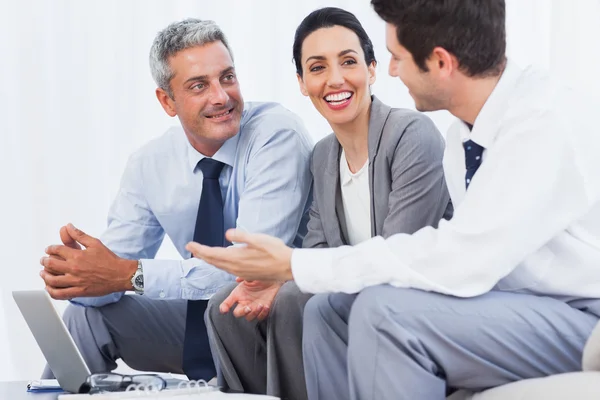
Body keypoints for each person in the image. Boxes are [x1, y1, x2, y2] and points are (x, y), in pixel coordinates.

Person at [187, 0, 600, 399]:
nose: (392, 69)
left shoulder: (541, 124)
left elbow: (463, 257)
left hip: (580, 317)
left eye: (396, 56)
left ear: (440, 62)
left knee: (383, 314)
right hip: (511, 303)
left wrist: (294, 265)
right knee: (329, 312)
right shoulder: (466, 134)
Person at [39, 18, 313, 382]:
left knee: (225, 296)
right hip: (201, 325)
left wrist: (127, 274)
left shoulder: (276, 135)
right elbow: (111, 276)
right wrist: (77, 277)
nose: (221, 96)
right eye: (199, 85)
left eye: (227, 77)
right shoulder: (150, 163)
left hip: (270, 317)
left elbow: (251, 269)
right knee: (85, 317)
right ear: (167, 101)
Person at [204, 7, 452, 400]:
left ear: (372, 69)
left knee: (297, 302)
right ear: (302, 83)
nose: (335, 79)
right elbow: (318, 248)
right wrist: (276, 278)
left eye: (349, 62)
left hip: (408, 299)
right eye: (317, 68)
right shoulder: (322, 157)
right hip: (347, 293)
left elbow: (396, 256)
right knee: (225, 307)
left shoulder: (411, 135)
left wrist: (288, 277)